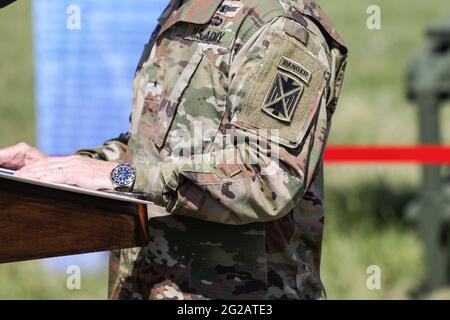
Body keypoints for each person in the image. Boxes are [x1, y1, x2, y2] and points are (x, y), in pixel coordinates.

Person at [0, 0, 347, 300]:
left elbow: (268, 177)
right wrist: (67, 170)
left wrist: (122, 176)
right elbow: (158, 146)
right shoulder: (184, 11)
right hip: (150, 283)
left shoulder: (281, 26)